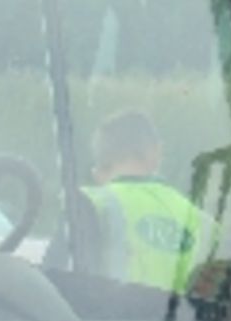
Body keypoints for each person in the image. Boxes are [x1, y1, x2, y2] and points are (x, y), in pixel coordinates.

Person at [83, 110, 213, 293]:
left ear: (98, 169)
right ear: (157, 152)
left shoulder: (87, 205)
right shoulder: (205, 223)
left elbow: (56, 285)